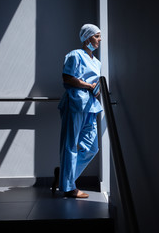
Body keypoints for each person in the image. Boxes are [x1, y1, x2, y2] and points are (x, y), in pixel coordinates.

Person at [52, 23, 103, 198]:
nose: (99, 39)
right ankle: (69, 188)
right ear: (87, 37)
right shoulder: (75, 55)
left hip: (91, 105)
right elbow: (67, 77)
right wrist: (88, 85)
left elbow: (95, 83)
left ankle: (65, 176)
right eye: (96, 36)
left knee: (92, 147)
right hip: (75, 103)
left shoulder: (97, 62)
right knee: (70, 145)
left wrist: (96, 89)